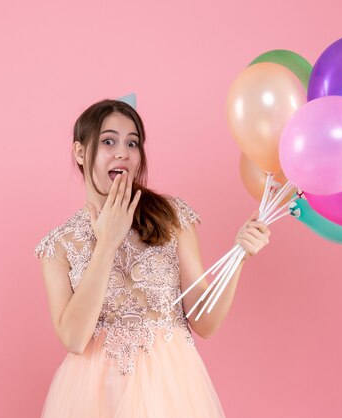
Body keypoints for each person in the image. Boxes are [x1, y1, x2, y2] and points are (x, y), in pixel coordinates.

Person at [34, 99, 271, 417]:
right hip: (94, 398)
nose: (123, 152)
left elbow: (205, 322)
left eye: (132, 143)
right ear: (79, 152)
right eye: (108, 141)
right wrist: (106, 244)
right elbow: (75, 339)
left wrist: (239, 255)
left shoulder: (171, 217)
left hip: (170, 393)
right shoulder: (59, 245)